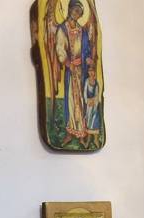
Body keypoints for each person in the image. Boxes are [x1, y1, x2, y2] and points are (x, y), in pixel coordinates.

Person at [55, 0, 92, 147]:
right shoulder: (62, 29)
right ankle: (70, 133)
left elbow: (87, 49)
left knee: (82, 100)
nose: (77, 14)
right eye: (75, 10)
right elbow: (60, 49)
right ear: (70, 10)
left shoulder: (82, 31)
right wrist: (68, 63)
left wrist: (87, 58)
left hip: (82, 71)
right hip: (71, 71)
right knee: (71, 100)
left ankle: (82, 132)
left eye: (80, 12)